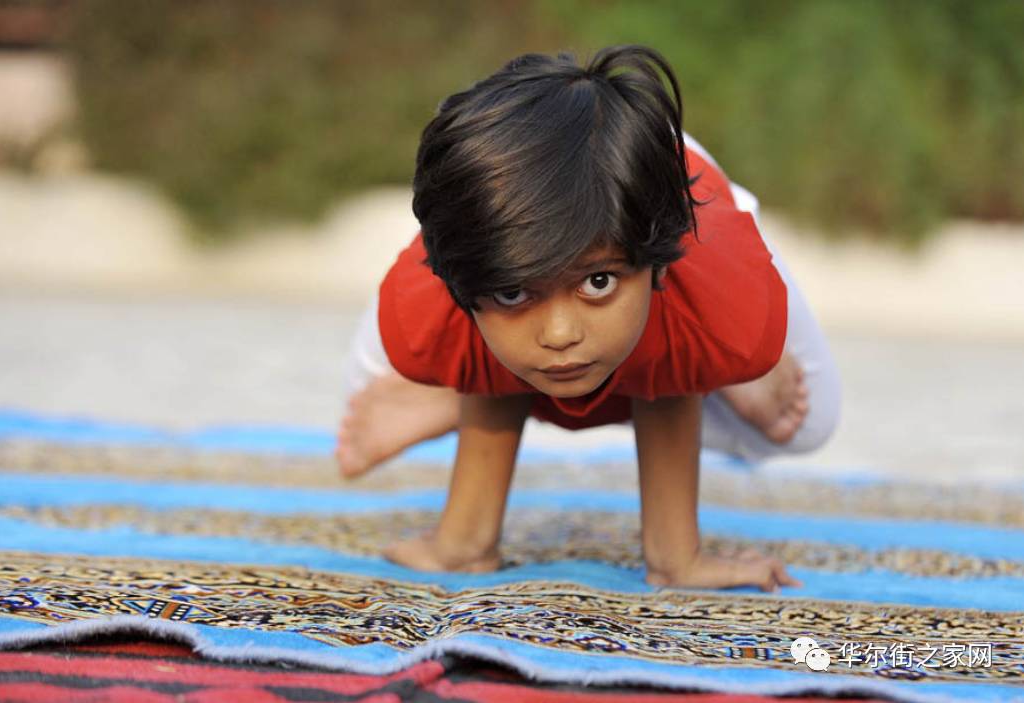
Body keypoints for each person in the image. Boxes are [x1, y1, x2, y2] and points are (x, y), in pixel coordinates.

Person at [336, 45, 840, 592]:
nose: (560, 334)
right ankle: (460, 372)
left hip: (669, 204)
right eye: (512, 292)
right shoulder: (440, 297)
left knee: (806, 425)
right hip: (502, 210)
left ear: (658, 270)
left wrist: (679, 560)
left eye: (597, 282)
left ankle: (718, 369)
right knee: (370, 383)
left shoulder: (703, 285)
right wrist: (461, 545)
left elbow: (663, 367)